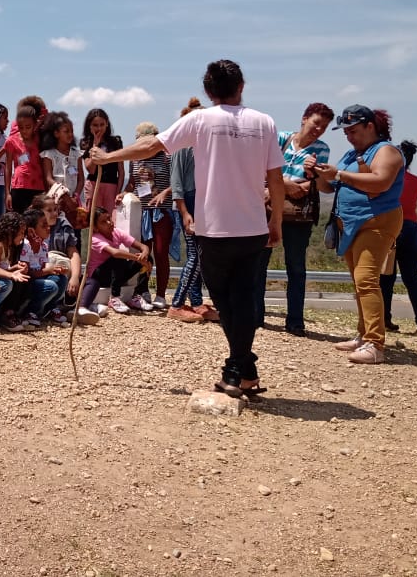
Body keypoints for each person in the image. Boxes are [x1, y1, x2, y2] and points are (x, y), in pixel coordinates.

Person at [90, 59, 284, 398]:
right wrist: (276, 219)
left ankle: (238, 369)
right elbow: (275, 178)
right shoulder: (264, 122)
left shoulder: (199, 119)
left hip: (215, 228)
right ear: (241, 86)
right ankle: (244, 368)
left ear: (208, 91)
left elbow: (151, 145)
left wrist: (107, 158)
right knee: (242, 298)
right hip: (253, 226)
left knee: (227, 300)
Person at [315, 105, 405, 365]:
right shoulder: (352, 154)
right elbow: (328, 188)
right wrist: (320, 175)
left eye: (353, 131)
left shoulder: (387, 151)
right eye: (346, 132)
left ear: (370, 126)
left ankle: (375, 344)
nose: (349, 136)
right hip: (351, 223)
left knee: (366, 279)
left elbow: (381, 182)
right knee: (359, 281)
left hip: (377, 221)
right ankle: (364, 335)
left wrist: (339, 174)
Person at [268, 102, 334, 336]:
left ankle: (295, 321)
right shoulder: (282, 138)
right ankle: (255, 314)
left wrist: (311, 173)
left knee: (296, 267)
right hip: (270, 207)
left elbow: (317, 184)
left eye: (324, 127)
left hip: (296, 215)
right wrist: (285, 185)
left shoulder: (321, 149)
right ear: (305, 118)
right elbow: (264, 167)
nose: (319, 129)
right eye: (317, 123)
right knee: (258, 263)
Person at [166, 98, 217, 323]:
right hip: (189, 201)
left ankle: (196, 302)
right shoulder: (181, 145)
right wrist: (185, 212)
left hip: (201, 201)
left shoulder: (202, 144)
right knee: (196, 254)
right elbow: (176, 182)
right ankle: (177, 304)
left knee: (200, 254)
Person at [379, 140, 417, 336]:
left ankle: (385, 319)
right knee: (412, 279)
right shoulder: (416, 181)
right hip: (410, 228)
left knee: (386, 278)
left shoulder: (388, 180)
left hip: (390, 228)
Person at [123, 122, 173, 310]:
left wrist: (165, 193)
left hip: (161, 211)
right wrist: (124, 193)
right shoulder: (134, 159)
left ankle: (161, 294)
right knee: (143, 252)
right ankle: (142, 290)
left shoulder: (168, 157)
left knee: (160, 253)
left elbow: (176, 182)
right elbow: (132, 183)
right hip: (141, 211)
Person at [78, 207, 152, 318]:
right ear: (96, 228)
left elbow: (142, 246)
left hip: (115, 274)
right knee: (118, 257)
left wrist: (144, 255)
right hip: (99, 276)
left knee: (148, 258)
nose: (109, 223)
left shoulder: (116, 232)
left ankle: (137, 294)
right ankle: (114, 297)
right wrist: (137, 258)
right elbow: (115, 253)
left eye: (109, 219)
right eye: (103, 222)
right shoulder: (95, 238)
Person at [20, 208, 69, 326]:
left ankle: (51, 308)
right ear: (31, 230)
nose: (48, 228)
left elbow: (42, 266)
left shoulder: (43, 246)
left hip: (38, 279)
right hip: (26, 282)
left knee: (61, 279)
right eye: (44, 226)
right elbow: (28, 272)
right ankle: (31, 311)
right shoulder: (25, 245)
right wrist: (49, 270)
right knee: (50, 286)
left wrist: (56, 270)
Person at [0, 211, 33, 332]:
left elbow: (4, 269)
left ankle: (13, 312)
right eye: (21, 233)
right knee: (12, 282)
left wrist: (16, 268)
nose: (23, 236)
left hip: (0, 276)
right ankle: (5, 315)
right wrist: (12, 274)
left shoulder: (9, 246)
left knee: (24, 280)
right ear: (11, 231)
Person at [79, 109, 125, 213]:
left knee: (109, 219)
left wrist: (118, 192)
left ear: (107, 124)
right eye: (95, 125)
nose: (99, 128)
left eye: (102, 124)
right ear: (89, 126)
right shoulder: (85, 143)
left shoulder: (115, 142)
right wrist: (95, 144)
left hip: (111, 185)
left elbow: (121, 171)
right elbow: (90, 169)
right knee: (94, 218)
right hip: (93, 184)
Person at [4, 105, 46, 214]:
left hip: (38, 187)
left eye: (28, 127)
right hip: (19, 187)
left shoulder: (40, 140)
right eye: (21, 127)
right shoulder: (11, 141)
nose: (24, 131)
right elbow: (8, 168)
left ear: (34, 125)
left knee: (36, 222)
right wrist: (7, 193)